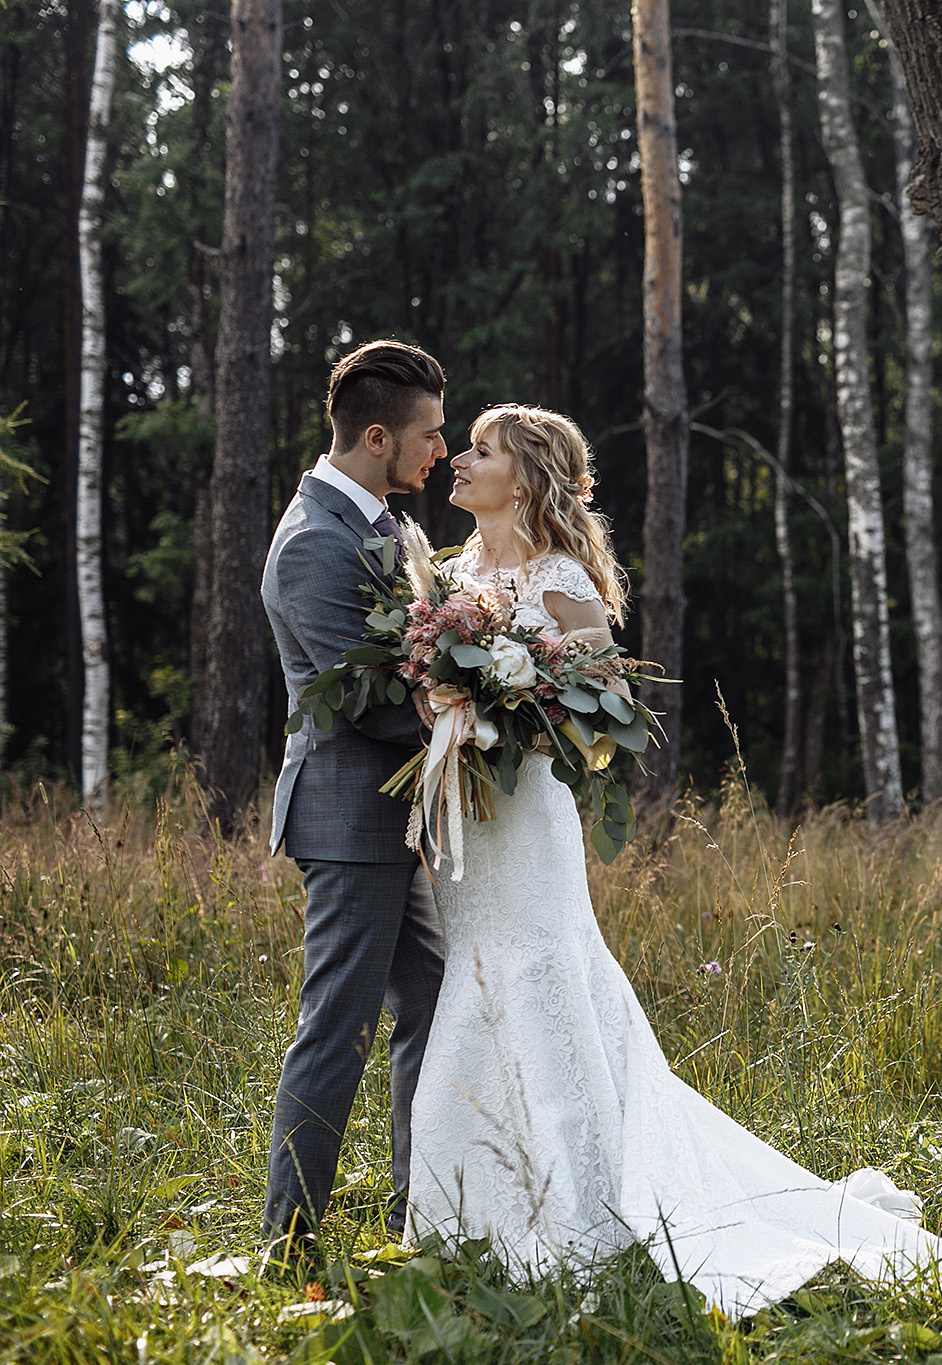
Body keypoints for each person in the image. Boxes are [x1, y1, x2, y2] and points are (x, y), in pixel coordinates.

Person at [404, 404, 942, 1317]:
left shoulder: (561, 583)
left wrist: (512, 701)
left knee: (542, 970)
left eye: (482, 450)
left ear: (528, 476)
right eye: (464, 447)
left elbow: (606, 716)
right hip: (469, 821)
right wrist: (448, 697)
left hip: (530, 818)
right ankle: (470, 1218)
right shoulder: (446, 574)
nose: (461, 461)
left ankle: (586, 1213)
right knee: (472, 984)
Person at [258, 340, 449, 1263]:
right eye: (429, 433)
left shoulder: (381, 526)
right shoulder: (312, 544)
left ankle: (425, 1209)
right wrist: (479, 721)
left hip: (393, 817)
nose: (441, 451)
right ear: (377, 436)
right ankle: (288, 1239)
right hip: (349, 818)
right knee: (336, 1027)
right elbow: (369, 704)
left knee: (436, 1000)